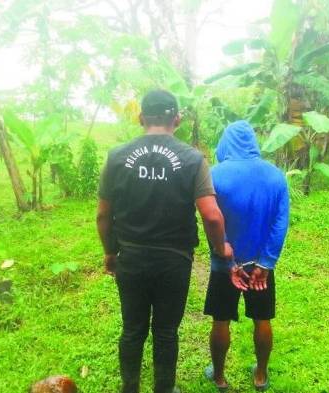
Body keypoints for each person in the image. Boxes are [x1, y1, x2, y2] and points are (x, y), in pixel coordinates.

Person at [97, 89, 233, 393]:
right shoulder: (192, 159)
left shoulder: (117, 157)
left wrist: (110, 252)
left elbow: (103, 216)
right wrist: (220, 247)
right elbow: (211, 216)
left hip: (130, 257)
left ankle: (129, 388)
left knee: (132, 329)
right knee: (166, 331)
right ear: (177, 119)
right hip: (174, 260)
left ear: (141, 117)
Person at [203, 120, 289, 391]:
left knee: (221, 320)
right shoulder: (276, 176)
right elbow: (280, 223)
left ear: (226, 142)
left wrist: (228, 259)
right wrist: (266, 262)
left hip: (224, 265)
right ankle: (261, 375)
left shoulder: (214, 175)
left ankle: (218, 377)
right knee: (262, 319)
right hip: (259, 267)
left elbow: (211, 220)